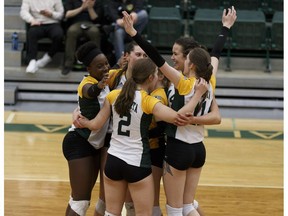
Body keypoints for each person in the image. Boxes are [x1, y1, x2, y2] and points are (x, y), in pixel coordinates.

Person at [122, 7, 236, 215]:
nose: (173, 58)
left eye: (177, 55)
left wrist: (134, 34)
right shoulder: (210, 80)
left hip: (178, 149)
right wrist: (226, 27)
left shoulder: (184, 83)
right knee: (187, 207)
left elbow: (156, 58)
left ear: (190, 64)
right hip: (198, 149)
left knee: (174, 210)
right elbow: (216, 52)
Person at [77, 57, 209, 215]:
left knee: (111, 213)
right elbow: (178, 118)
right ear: (151, 78)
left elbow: (95, 125)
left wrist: (83, 121)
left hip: (113, 160)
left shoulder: (113, 96)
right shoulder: (148, 101)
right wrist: (197, 95)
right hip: (136, 163)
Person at [62, 41, 110, 216]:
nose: (105, 68)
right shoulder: (87, 83)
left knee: (87, 199)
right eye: (99, 66)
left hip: (95, 144)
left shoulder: (107, 77)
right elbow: (91, 91)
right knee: (80, 201)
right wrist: (99, 86)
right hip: (79, 142)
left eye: (106, 63)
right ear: (89, 68)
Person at [20, 0, 64, 73]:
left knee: (59, 35)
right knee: (32, 33)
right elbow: (23, 12)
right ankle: (32, 60)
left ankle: (48, 57)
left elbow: (61, 14)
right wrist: (31, 20)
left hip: (52, 22)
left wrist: (51, 14)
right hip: (37, 22)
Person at [61, 0, 105, 75]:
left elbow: (96, 19)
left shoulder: (95, 1)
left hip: (91, 24)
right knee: (71, 32)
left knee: (95, 32)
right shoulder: (72, 1)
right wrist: (82, 8)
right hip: (76, 23)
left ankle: (96, 63)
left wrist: (90, 8)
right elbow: (67, 14)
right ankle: (68, 64)